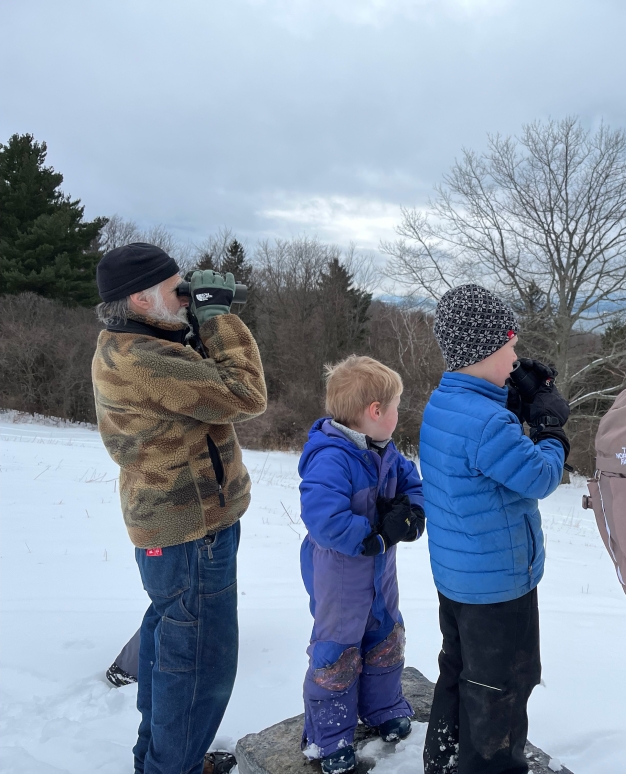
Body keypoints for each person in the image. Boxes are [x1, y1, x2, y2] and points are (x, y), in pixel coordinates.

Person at [92, 243, 267, 774]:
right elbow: (246, 392)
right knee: (198, 666)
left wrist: (194, 319)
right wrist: (218, 318)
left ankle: (164, 761)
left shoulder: (130, 341)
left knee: (171, 648)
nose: (187, 296)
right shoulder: (146, 359)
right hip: (194, 532)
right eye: (178, 290)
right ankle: (175, 767)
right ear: (141, 299)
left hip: (173, 527)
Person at [419, 284, 570, 774]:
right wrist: (549, 430)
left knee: (460, 672)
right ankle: (493, 766)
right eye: (509, 345)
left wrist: (510, 398)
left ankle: (442, 758)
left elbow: (483, 449)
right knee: (502, 690)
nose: (516, 356)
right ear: (484, 350)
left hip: (460, 580)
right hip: (499, 589)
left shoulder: (445, 401)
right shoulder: (487, 423)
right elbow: (541, 476)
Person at [297, 355, 425, 774]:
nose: (398, 414)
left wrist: (412, 512)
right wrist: (378, 532)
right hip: (340, 578)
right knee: (337, 651)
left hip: (380, 575)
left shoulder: (385, 452)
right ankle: (330, 735)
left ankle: (383, 706)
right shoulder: (331, 457)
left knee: (385, 635)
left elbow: (412, 484)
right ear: (375, 412)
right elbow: (324, 519)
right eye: (396, 406)